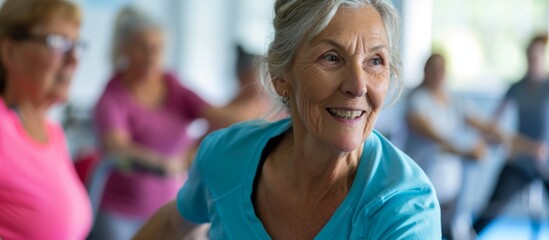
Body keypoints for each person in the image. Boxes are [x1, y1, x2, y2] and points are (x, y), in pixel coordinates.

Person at [134, 0, 441, 239]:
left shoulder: (405, 207)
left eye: (375, 61)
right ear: (282, 77)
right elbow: (172, 225)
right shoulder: (227, 156)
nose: (358, 84)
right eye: (332, 58)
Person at [91, 6, 238, 239]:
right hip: (121, 214)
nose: (152, 55)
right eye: (143, 47)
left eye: (158, 48)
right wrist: (165, 165)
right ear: (124, 49)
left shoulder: (173, 86)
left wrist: (191, 153)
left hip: (173, 208)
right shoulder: (113, 97)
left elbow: (217, 116)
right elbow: (116, 145)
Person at [0, 0, 92, 239]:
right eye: (59, 42)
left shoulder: (53, 132)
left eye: (76, 45)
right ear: (9, 51)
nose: (74, 59)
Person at [403, 54, 496, 239]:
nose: (438, 74)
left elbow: (480, 122)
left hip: (449, 180)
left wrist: (503, 137)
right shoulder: (416, 100)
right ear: (425, 71)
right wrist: (465, 150)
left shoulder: (452, 100)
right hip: (422, 174)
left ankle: (459, 226)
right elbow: (434, 137)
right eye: (433, 69)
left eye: (441, 70)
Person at [473, 34, 549, 235]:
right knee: (491, 210)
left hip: (545, 161)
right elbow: (494, 123)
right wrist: (485, 142)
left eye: (537, 56)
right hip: (520, 160)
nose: (533, 60)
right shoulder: (517, 87)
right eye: (530, 55)